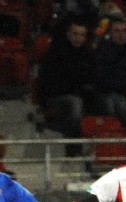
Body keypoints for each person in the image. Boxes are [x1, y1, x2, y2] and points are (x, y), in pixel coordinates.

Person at [36, 18, 96, 154]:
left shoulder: (89, 54)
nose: (78, 38)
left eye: (82, 35)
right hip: (56, 97)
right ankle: (73, 150)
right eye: (75, 34)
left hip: (82, 94)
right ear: (68, 34)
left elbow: (92, 78)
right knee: (75, 104)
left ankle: (103, 150)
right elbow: (48, 83)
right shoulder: (55, 53)